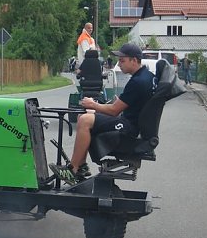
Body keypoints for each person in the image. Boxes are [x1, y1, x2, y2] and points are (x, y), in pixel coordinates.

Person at [50, 43, 155, 184]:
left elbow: (114, 111)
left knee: (85, 120)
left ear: (134, 60)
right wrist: (100, 108)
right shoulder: (146, 76)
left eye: (122, 61)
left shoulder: (138, 82)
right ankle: (81, 166)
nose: (119, 64)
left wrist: (93, 104)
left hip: (130, 128)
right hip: (132, 122)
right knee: (84, 117)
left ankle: (72, 170)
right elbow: (124, 105)